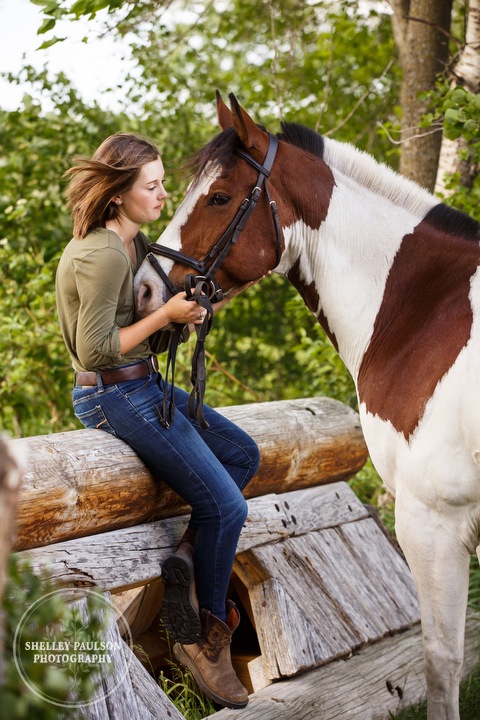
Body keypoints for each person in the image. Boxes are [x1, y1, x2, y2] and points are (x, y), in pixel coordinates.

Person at [55, 132, 260, 709]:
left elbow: (139, 327)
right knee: (227, 506)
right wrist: (165, 314)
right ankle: (204, 636)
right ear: (118, 194)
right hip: (111, 395)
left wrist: (183, 314)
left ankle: (187, 562)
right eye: (153, 185)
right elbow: (97, 351)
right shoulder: (100, 254)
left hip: (144, 382)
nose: (164, 194)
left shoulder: (136, 242)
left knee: (244, 456)